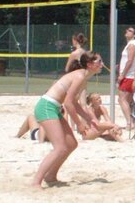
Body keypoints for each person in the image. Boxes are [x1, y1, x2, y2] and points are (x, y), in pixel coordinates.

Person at [30, 52, 104, 188]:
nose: (102, 64)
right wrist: (79, 124)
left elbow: (74, 103)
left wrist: (90, 118)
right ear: (89, 64)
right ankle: (36, 182)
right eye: (99, 62)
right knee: (59, 148)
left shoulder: (84, 77)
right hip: (46, 106)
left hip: (53, 107)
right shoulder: (80, 76)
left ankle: (51, 176)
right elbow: (68, 103)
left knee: (71, 144)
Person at [117, 25, 135, 127]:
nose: (127, 31)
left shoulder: (132, 45)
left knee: (122, 99)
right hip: (130, 75)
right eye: (127, 30)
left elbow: (130, 61)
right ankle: (134, 123)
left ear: (134, 35)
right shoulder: (131, 44)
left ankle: (129, 122)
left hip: (128, 76)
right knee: (128, 101)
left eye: (130, 31)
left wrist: (122, 75)